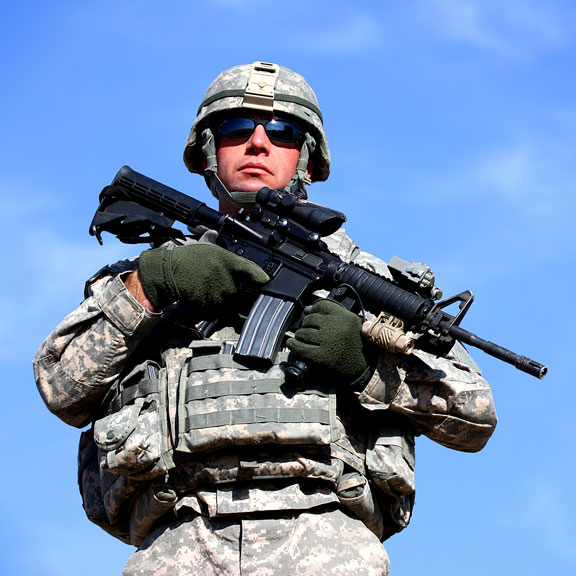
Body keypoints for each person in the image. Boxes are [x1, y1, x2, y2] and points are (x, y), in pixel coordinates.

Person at [34, 61, 497, 576]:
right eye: (236, 130)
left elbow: (475, 418)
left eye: (282, 133)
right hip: (176, 544)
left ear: (307, 159)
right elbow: (60, 386)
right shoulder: (152, 275)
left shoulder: (368, 284)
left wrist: (368, 371)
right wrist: (150, 286)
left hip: (325, 542)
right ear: (208, 152)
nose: (258, 144)